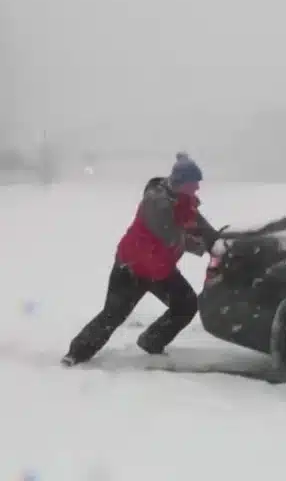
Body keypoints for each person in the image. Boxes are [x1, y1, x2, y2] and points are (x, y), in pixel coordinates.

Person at [61, 152, 220, 367]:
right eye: (194, 183)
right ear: (181, 182)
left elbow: (202, 228)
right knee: (113, 315)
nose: (198, 188)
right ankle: (76, 353)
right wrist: (202, 247)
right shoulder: (156, 201)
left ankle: (152, 341)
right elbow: (170, 236)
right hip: (131, 268)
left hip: (160, 270)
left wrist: (219, 242)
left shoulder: (185, 201)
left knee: (186, 304)